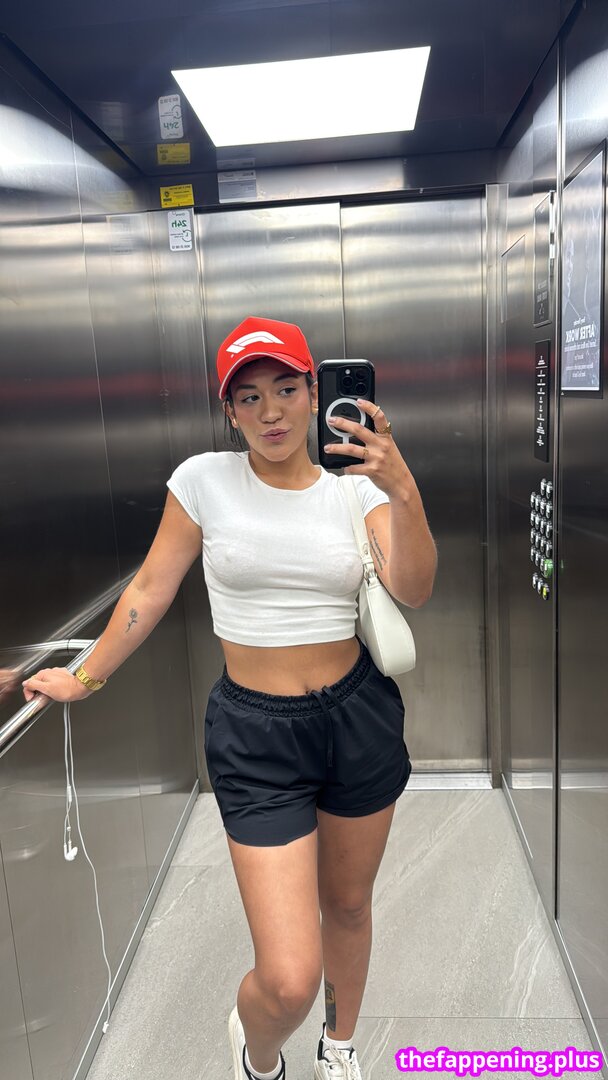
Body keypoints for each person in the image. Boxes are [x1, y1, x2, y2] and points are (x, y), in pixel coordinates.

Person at [22, 315, 437, 1080]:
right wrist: (86, 676)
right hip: (256, 735)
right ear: (229, 411)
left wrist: (401, 487)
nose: (270, 411)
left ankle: (339, 1046)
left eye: (285, 389)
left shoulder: (355, 488)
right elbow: (150, 589)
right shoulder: (203, 483)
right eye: (249, 397)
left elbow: (413, 587)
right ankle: (259, 1050)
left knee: (349, 906)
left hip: (357, 718)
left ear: (314, 393)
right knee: (287, 978)